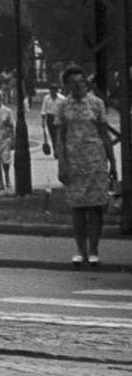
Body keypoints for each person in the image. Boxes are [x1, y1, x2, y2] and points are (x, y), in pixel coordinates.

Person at [55, 66, 118, 269]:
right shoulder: (63, 106)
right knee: (77, 208)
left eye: (82, 81)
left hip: (95, 160)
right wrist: (61, 163)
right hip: (74, 162)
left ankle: (94, 250)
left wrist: (113, 162)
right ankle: (80, 250)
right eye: (74, 82)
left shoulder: (96, 103)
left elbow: (104, 134)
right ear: (67, 85)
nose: (79, 85)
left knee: (95, 206)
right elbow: (60, 137)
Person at [40, 82, 63, 159]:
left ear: (57, 91)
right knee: (53, 136)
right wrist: (43, 121)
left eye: (54, 90)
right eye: (51, 90)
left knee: (59, 135)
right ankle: (55, 151)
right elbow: (44, 109)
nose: (53, 92)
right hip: (50, 118)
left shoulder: (62, 99)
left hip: (59, 117)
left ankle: (59, 151)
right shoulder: (46, 98)